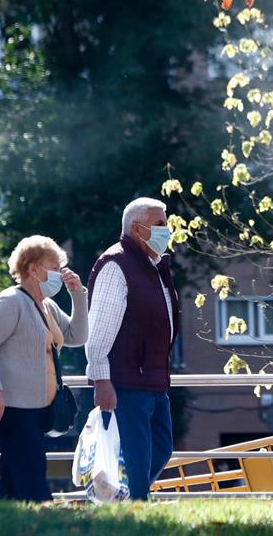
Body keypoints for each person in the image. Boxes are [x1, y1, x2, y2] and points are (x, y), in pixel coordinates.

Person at [0, 235, 88, 502]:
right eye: (54, 266)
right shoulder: (10, 302)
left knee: (14, 479)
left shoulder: (46, 306)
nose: (60, 273)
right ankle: (45, 520)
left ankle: (7, 519)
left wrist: (78, 295)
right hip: (7, 405)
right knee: (33, 470)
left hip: (35, 407)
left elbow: (76, 336)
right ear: (33, 269)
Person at [85, 197, 180, 501]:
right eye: (161, 224)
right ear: (138, 229)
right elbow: (99, 330)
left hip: (153, 381)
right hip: (126, 383)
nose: (168, 230)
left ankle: (118, 496)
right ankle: (134, 512)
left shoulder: (153, 266)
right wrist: (101, 380)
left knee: (161, 449)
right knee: (137, 460)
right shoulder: (117, 264)